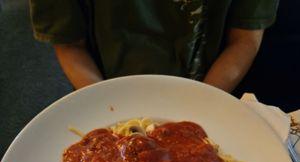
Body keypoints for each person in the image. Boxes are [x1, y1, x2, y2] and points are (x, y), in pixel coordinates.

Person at [29, 0, 279, 92]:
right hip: (102, 86)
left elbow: (245, 39)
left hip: (215, 84)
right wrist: (110, 110)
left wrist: (200, 105)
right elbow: (70, 44)